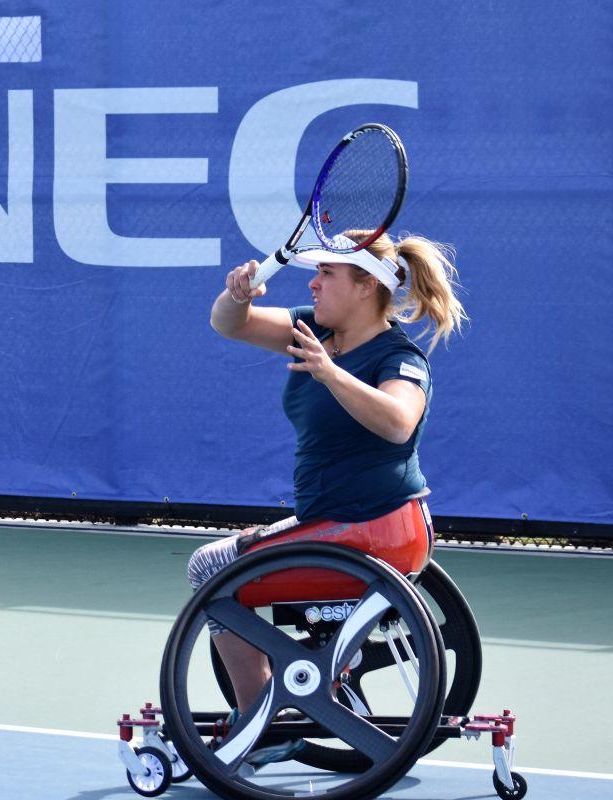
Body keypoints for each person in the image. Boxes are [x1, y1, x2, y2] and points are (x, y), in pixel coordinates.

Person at [187, 229, 467, 764]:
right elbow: (229, 323)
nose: (313, 284)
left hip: (374, 531)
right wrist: (237, 294)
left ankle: (258, 719)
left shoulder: (400, 359)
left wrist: (331, 373)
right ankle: (292, 693)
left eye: (327, 275)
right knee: (229, 566)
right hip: (336, 527)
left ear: (366, 287)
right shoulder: (312, 329)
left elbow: (398, 422)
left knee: (210, 568)